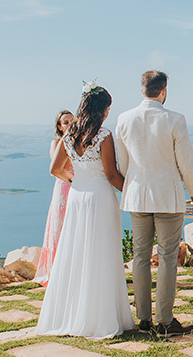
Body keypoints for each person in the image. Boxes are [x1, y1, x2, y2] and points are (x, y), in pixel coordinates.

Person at [37, 85, 134, 338]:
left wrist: (75, 180)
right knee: (102, 253)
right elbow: (112, 175)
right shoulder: (103, 135)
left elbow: (54, 169)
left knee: (77, 253)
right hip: (101, 197)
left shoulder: (68, 135)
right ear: (102, 110)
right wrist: (134, 194)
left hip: (78, 198)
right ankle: (100, 318)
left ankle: (72, 314)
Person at [115, 70, 193, 337]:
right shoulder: (175, 119)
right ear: (164, 90)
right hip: (167, 196)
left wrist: (134, 183)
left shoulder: (124, 119)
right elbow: (185, 160)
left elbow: (124, 163)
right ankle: (164, 321)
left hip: (137, 194)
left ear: (142, 90)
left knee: (140, 257)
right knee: (166, 258)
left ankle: (143, 320)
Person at [33, 109, 74, 286]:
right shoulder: (56, 143)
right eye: (66, 122)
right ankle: (57, 270)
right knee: (60, 227)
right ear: (59, 126)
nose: (70, 125)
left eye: (72, 121)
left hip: (79, 188)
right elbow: (59, 166)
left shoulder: (81, 142)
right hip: (64, 187)